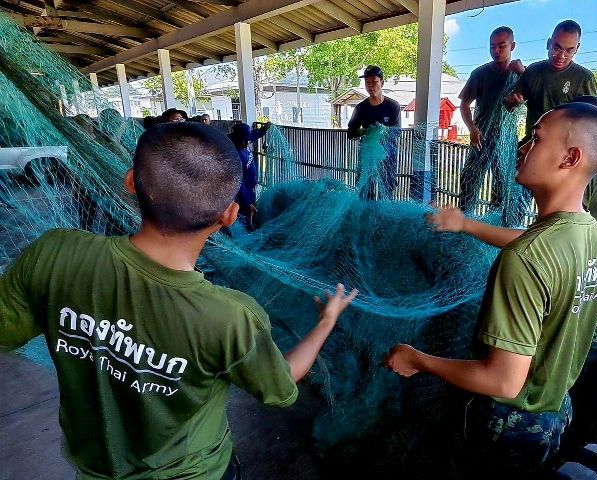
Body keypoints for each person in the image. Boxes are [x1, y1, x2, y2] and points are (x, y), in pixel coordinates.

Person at [0, 122, 357, 480]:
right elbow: (279, 387)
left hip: (95, 470)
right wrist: (327, 320)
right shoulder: (230, 316)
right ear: (229, 215)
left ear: (130, 182)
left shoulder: (54, 252)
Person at [386, 102, 597, 478]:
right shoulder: (592, 236)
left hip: (508, 425)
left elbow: (503, 381)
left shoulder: (526, 258)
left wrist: (418, 360)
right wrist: (466, 225)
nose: (522, 147)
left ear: (570, 157)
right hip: (554, 413)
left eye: (536, 139)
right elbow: (536, 243)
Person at [504, 20, 597, 225]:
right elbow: (509, 103)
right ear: (548, 43)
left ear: (577, 49)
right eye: (557, 47)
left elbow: (593, 124)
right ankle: (514, 235)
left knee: (562, 214)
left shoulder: (584, 78)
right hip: (531, 149)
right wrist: (512, 101)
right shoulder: (533, 71)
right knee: (515, 207)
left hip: (565, 158)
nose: (561, 55)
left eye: (569, 50)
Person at [458, 26, 525, 218]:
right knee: (469, 180)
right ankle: (463, 222)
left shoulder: (521, 74)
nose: (496, 50)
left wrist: (522, 74)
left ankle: (495, 225)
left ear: (512, 46)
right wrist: (472, 129)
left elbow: (535, 94)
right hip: (481, 136)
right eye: (492, 46)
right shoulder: (480, 73)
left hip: (506, 139)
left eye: (501, 46)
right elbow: (464, 104)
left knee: (502, 185)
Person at [347, 65, 401, 200]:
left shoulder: (393, 106)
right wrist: (366, 131)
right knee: (365, 193)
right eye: (367, 83)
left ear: (382, 82)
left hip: (388, 156)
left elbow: (397, 132)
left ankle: (384, 212)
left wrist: (384, 130)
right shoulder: (361, 108)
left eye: (374, 82)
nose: (370, 86)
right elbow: (351, 133)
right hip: (367, 158)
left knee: (386, 193)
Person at [228, 121, 270, 230]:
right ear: (238, 139)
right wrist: (247, 203)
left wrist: (264, 129)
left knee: (252, 209)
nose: (247, 143)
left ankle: (251, 221)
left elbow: (254, 135)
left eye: (247, 140)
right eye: (245, 141)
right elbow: (239, 183)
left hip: (250, 186)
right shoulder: (234, 155)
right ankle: (247, 229)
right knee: (246, 212)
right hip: (244, 190)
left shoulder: (244, 141)